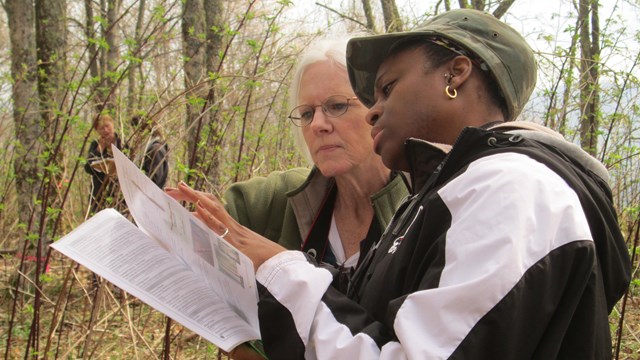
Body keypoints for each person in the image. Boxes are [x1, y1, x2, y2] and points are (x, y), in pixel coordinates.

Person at [171, 9, 630, 359]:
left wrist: (279, 268)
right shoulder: (446, 193)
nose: (373, 110)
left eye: (387, 88)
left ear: (455, 73)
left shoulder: (514, 190)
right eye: (308, 113)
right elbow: (375, 315)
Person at [167, 38, 409, 359]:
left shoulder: (424, 209)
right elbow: (216, 226)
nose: (318, 125)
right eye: (307, 113)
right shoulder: (282, 198)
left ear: (377, 109)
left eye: (337, 106)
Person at [84, 114, 127, 213]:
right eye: (101, 128)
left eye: (107, 126)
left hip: (118, 192)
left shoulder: (122, 142)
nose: (106, 130)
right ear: (97, 131)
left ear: (112, 125)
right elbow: (88, 168)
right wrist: (100, 149)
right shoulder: (95, 144)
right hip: (100, 192)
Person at [131, 115, 169, 188]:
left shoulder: (156, 150)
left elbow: (154, 181)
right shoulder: (146, 149)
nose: (136, 137)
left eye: (137, 132)